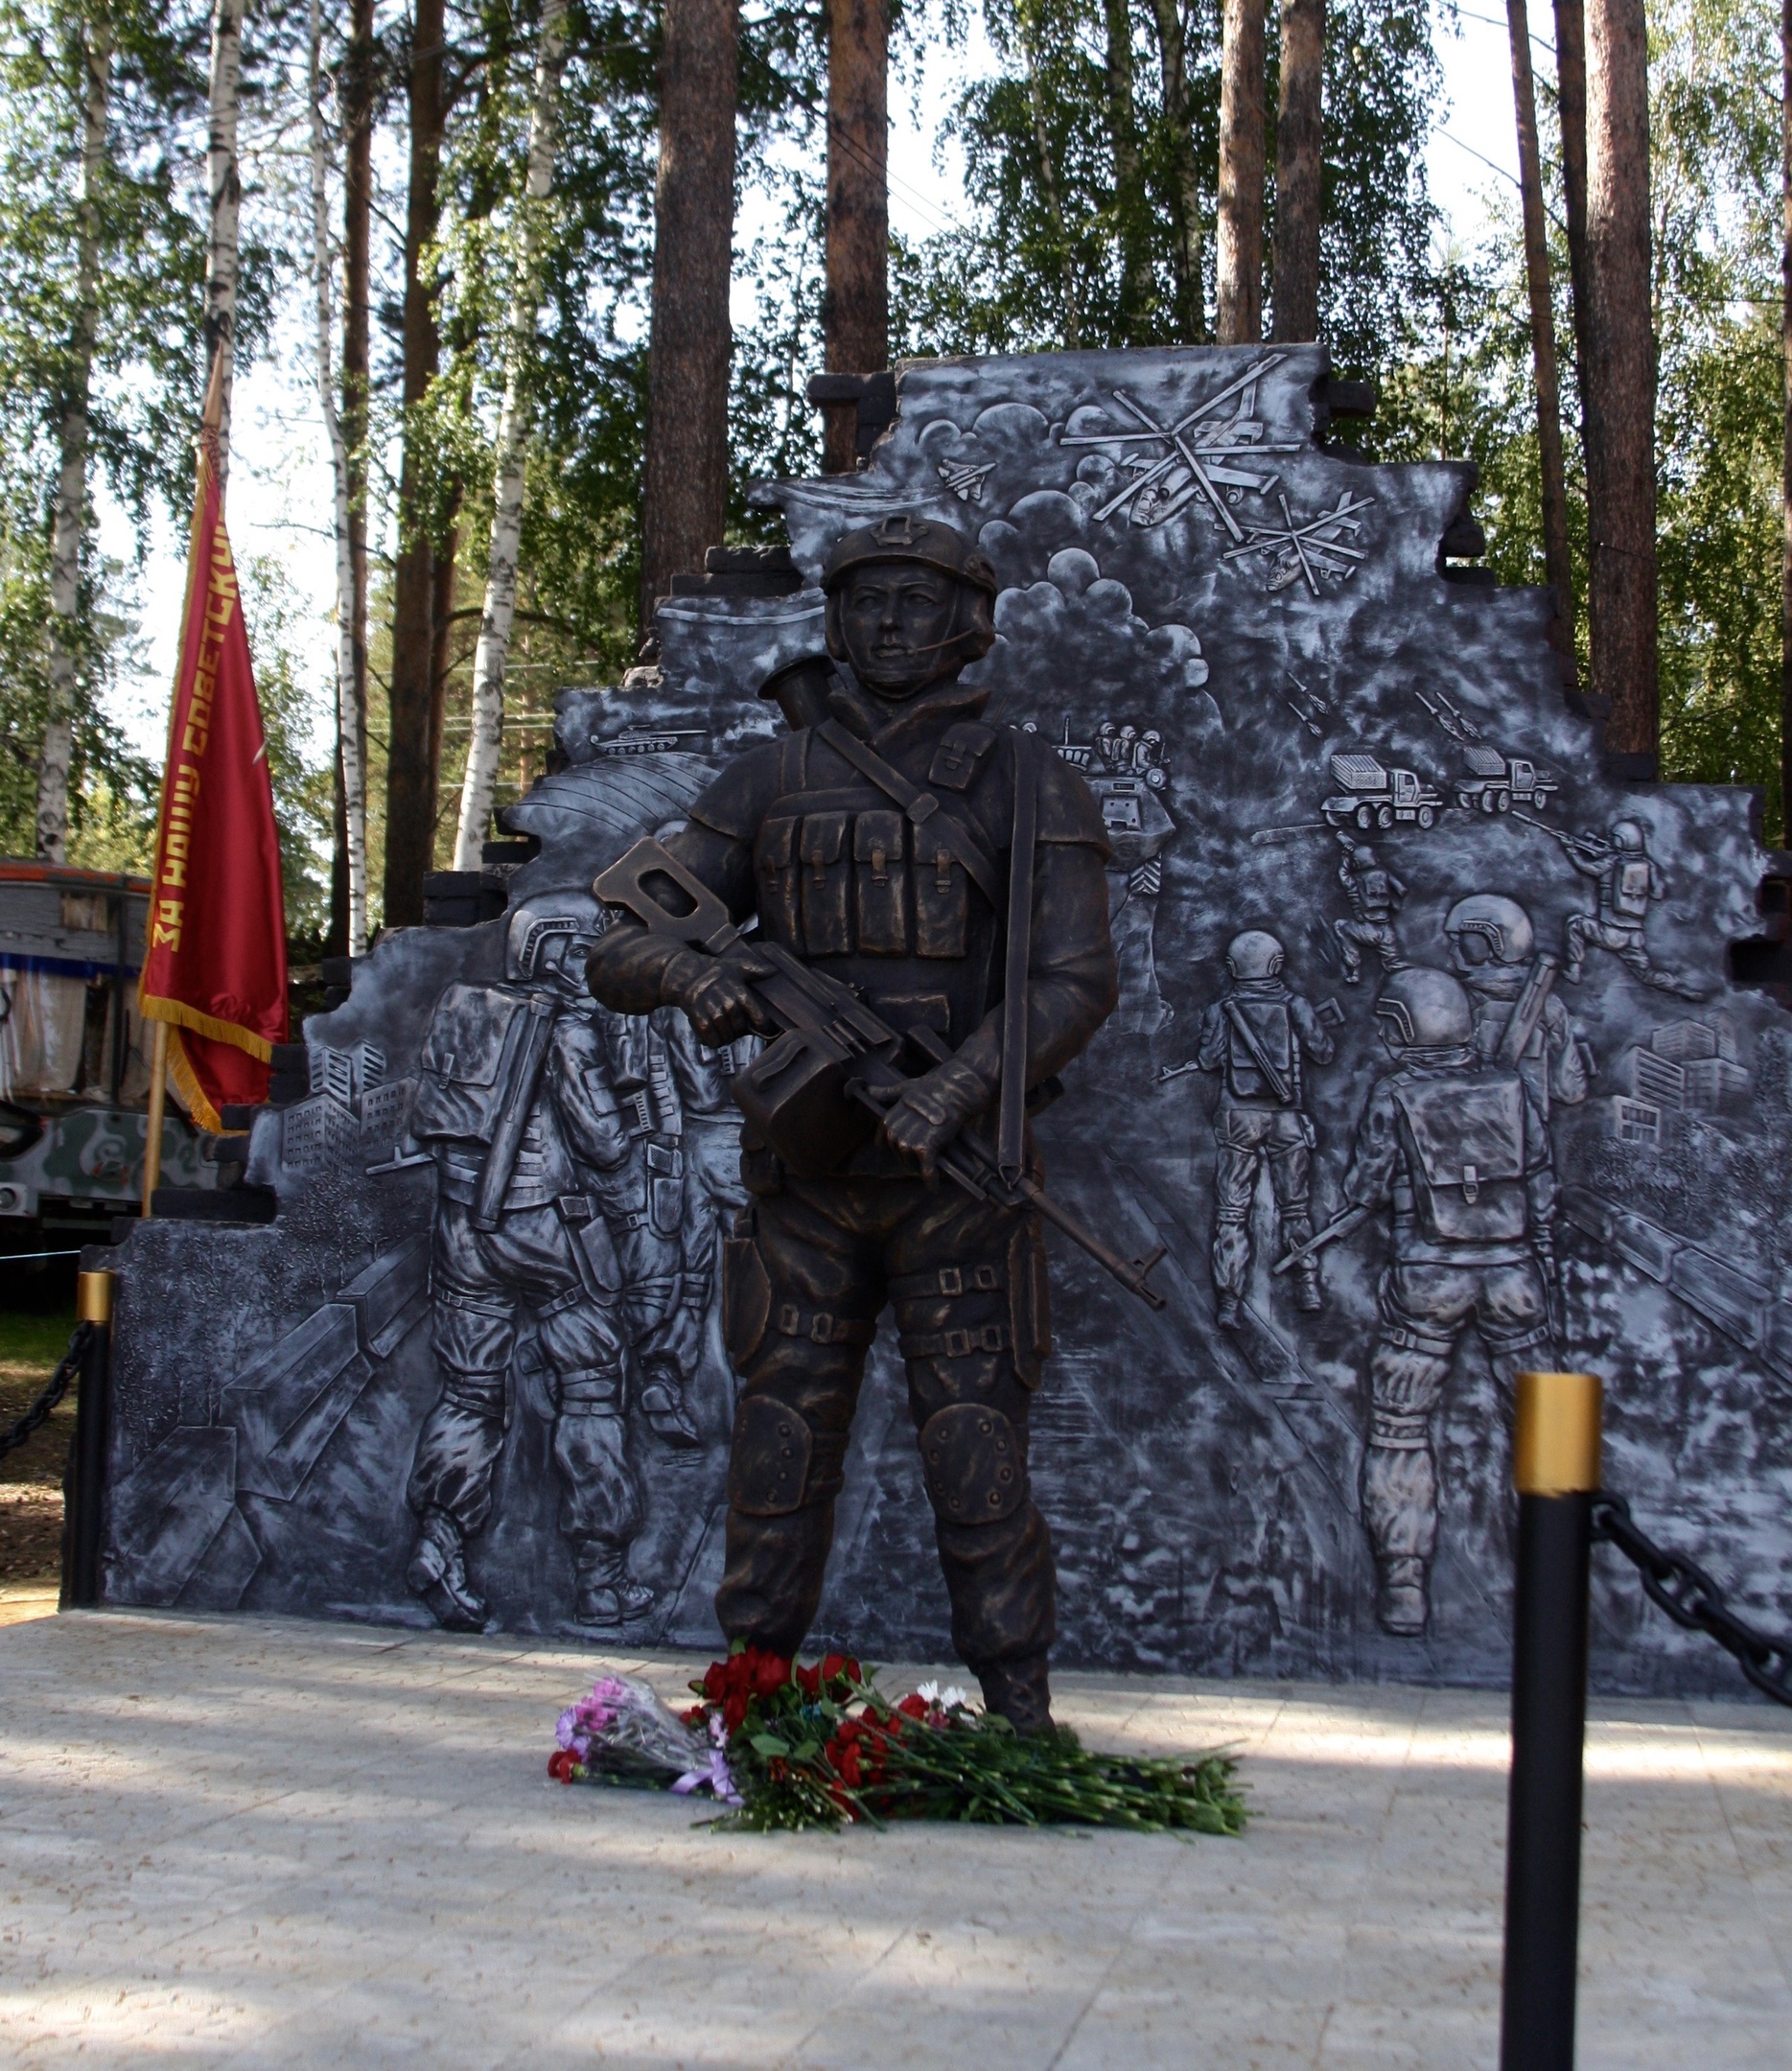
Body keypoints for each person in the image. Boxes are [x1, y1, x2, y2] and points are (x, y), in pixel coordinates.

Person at [585, 512, 1119, 1731]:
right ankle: (749, 1700)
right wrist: (692, 978)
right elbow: (619, 942)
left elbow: (1075, 981)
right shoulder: (766, 779)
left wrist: (959, 1086)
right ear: (835, 620)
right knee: (779, 1438)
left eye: (916, 602)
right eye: (867, 600)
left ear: (968, 625)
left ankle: (1020, 1710)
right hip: (806, 1182)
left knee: (976, 1454)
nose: (888, 623)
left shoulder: (1033, 780)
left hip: (958, 1183)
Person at [404, 892, 653, 1633]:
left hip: (462, 1230)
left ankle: (440, 1540)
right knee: (590, 1389)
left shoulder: (465, 1015)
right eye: (587, 951)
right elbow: (603, 1143)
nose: (598, 964)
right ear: (553, 953)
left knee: (469, 1393)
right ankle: (602, 1580)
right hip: (549, 1231)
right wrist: (634, 1111)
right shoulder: (568, 1029)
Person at [1340, 966, 1556, 1637]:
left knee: (1400, 1428)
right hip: (1513, 1276)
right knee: (1542, 1428)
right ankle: (1555, 1575)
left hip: (1426, 1281)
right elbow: (1541, 1185)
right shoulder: (1513, 1089)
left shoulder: (1393, 1095)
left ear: (1407, 1029)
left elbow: (1366, 1185)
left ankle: (1403, 1583)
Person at [1195, 930, 1334, 1327]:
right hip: (1288, 1116)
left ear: (1233, 968)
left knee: (1231, 1212)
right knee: (1296, 1206)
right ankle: (1306, 1282)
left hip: (1237, 1116)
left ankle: (1228, 1301)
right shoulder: (1296, 1005)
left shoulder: (1221, 1009)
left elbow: (1206, 1060)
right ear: (1276, 965)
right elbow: (1323, 1053)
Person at [1443, 893, 1588, 1121]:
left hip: (1460, 1135)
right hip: (1525, 1146)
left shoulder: (1452, 1000)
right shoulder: (1550, 1006)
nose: (1453, 950)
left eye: (1462, 941)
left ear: (1488, 943)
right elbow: (1570, 1091)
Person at [1334, 839, 1407, 984]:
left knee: (1340, 926)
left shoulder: (1354, 881)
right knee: (1394, 963)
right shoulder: (1384, 874)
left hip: (1367, 929)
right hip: (1387, 930)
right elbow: (1402, 889)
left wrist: (1345, 859)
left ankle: (1354, 971)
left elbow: (1343, 874)